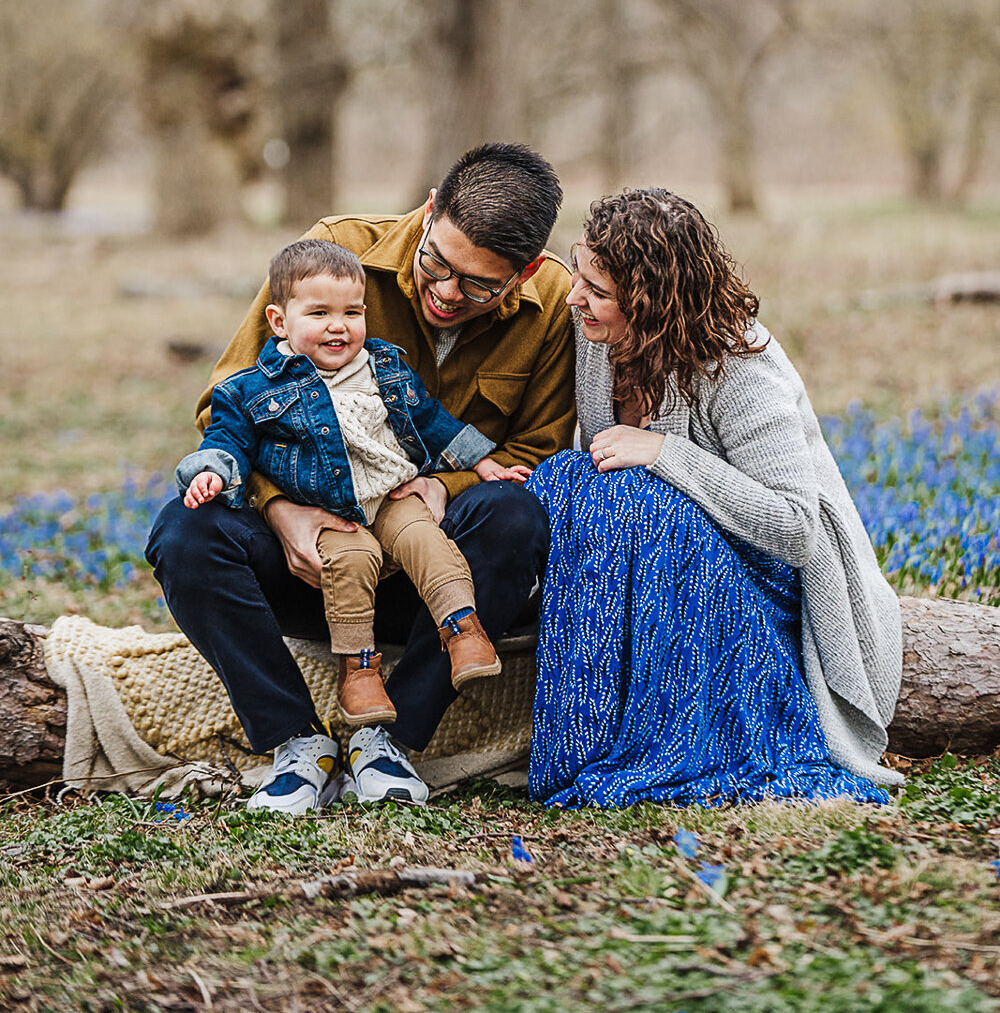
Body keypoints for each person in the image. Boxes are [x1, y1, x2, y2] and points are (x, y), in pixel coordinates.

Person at [147, 143, 574, 812]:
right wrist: (280, 510)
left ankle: (391, 743)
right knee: (184, 531)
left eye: (479, 285)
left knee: (515, 519)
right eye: (438, 262)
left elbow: (537, 454)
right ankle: (296, 742)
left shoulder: (553, 306)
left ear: (527, 272)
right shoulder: (333, 256)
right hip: (313, 563)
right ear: (431, 210)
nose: (446, 292)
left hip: (430, 573)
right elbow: (227, 403)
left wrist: (444, 488)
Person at [528, 188, 903, 809]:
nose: (574, 299)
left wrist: (669, 454)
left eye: (596, 289)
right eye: (579, 273)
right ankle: (587, 732)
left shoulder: (739, 365)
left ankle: (672, 739)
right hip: (662, 554)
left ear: (650, 301)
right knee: (574, 480)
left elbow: (796, 528)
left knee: (629, 494)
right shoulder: (597, 338)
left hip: (768, 571)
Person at [176, 239, 530, 783]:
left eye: (351, 313)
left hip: (392, 494)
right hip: (331, 513)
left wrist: (480, 463)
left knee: (425, 539)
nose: (338, 327)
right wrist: (214, 472)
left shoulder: (385, 367)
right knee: (351, 563)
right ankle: (357, 671)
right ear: (278, 320)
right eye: (318, 314)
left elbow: (433, 422)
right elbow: (228, 437)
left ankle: (462, 628)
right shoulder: (253, 390)